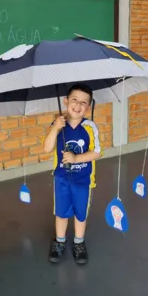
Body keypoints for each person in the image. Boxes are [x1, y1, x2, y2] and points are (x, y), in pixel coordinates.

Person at [43, 84, 102, 264]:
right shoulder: (58, 124)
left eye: (84, 102)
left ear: (88, 107)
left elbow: (97, 152)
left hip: (83, 180)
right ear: (66, 101)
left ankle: (79, 242)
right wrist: (55, 128)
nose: (78, 105)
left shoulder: (90, 127)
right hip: (62, 179)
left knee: (80, 213)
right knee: (61, 213)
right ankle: (60, 241)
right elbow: (46, 149)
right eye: (74, 100)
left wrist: (76, 159)